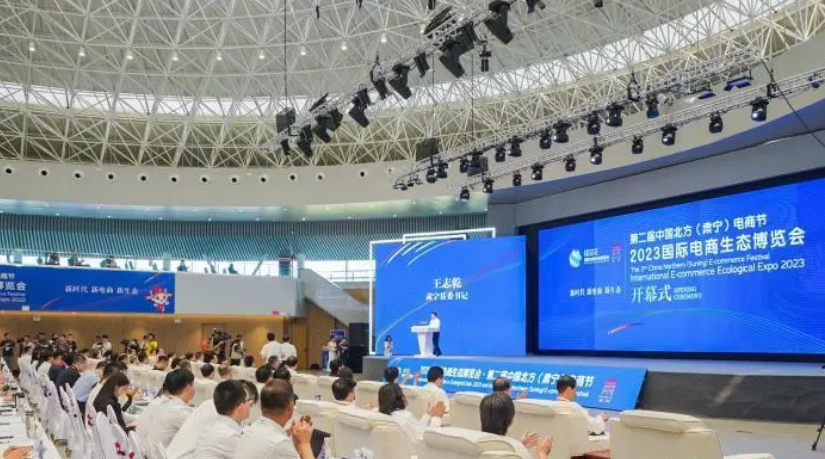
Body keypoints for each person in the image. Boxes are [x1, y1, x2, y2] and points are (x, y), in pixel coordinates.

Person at [233, 380, 314, 459]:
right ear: (290, 407)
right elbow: (280, 448)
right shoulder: (279, 442)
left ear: (260, 406)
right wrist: (305, 443)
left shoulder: (250, 429)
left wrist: (296, 441)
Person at [192, 380, 256, 459]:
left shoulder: (216, 424)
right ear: (240, 407)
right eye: (248, 400)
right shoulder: (229, 436)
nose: (251, 403)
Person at [480, 393, 553, 459]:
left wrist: (518, 447)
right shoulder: (519, 454)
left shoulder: (475, 443)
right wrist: (542, 454)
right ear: (511, 419)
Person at [138, 369, 195, 448]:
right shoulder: (179, 412)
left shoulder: (159, 403)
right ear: (188, 388)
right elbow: (201, 433)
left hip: (146, 451)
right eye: (193, 385)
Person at [378, 383, 445, 442]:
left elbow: (418, 429)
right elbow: (427, 438)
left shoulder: (380, 415)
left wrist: (428, 415)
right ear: (401, 398)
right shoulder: (405, 417)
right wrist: (437, 418)